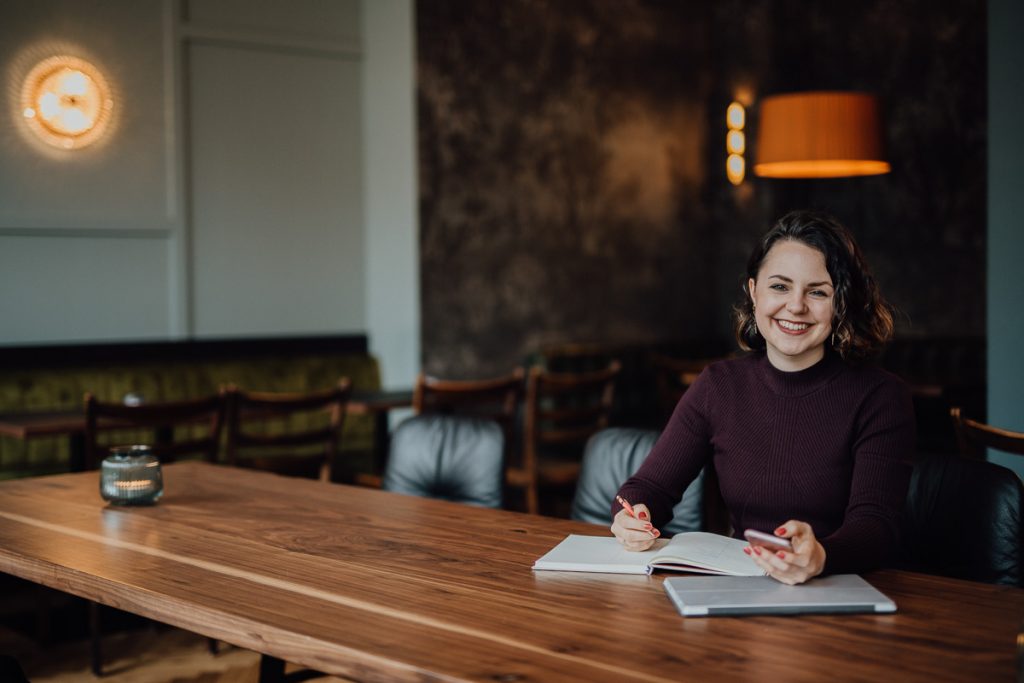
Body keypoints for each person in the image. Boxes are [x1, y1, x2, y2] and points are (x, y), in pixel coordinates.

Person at [612, 209, 915, 585]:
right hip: (741, 587)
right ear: (754, 291)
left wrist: (820, 556)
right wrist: (633, 518)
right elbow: (648, 489)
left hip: (840, 592)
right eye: (780, 286)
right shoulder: (718, 385)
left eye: (817, 291)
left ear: (840, 303)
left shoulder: (881, 397)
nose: (796, 306)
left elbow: (877, 527)